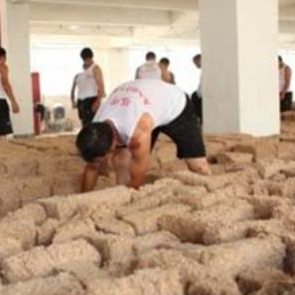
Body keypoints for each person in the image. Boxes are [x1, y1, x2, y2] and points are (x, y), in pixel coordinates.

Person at [76, 79, 211, 192]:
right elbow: (92, 167)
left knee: (198, 167)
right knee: (121, 160)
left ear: (113, 142)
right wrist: (83, 199)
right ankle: (122, 192)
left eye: (101, 159)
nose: (99, 163)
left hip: (175, 106)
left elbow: (138, 180)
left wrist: (131, 195)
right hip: (145, 105)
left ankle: (211, 189)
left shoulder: (137, 133)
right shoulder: (96, 126)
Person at [70, 47, 105, 127]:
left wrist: (97, 101)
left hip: (91, 100)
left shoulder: (95, 68)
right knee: (84, 123)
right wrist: (73, 101)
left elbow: (101, 86)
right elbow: (73, 90)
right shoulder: (81, 74)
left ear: (91, 58)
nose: (85, 61)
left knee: (92, 124)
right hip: (82, 101)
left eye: (87, 59)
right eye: (84, 60)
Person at [192, 54, 203, 123]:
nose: (195, 65)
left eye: (196, 63)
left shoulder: (206, 70)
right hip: (199, 95)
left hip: (201, 97)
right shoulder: (203, 71)